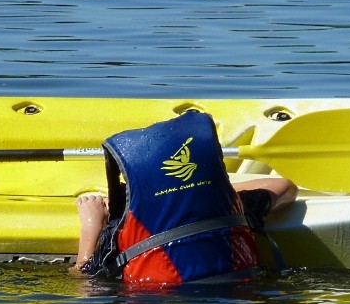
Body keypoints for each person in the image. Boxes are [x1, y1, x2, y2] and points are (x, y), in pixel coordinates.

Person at [73, 110, 298, 287]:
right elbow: (284, 186)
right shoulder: (233, 206)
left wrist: (91, 224)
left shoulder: (119, 234)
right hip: (238, 300)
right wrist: (217, 189)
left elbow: (84, 280)